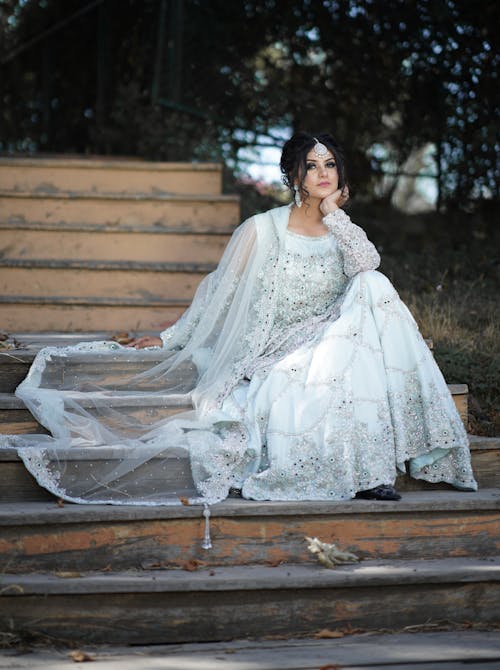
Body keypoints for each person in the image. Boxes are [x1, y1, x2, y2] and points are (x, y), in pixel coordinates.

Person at [8, 132, 476, 505]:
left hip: (335, 337)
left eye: (330, 164)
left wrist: (335, 215)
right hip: (280, 347)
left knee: (372, 287)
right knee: (335, 357)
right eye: (311, 165)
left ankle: (372, 469)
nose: (322, 173)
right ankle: (367, 471)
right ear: (294, 174)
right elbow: (219, 293)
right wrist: (171, 337)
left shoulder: (341, 230)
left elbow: (368, 266)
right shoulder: (261, 229)